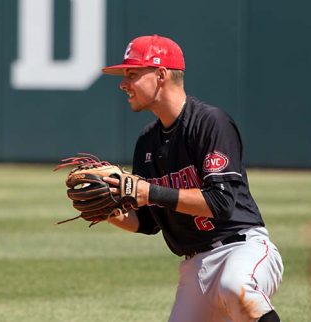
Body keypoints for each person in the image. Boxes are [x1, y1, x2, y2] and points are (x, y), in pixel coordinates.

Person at [101, 34, 284, 322]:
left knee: (236, 288)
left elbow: (220, 202)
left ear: (161, 74)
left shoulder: (211, 122)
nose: (124, 84)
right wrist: (110, 212)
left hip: (240, 248)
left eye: (132, 74)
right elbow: (150, 222)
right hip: (194, 267)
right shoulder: (146, 142)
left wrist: (148, 191)